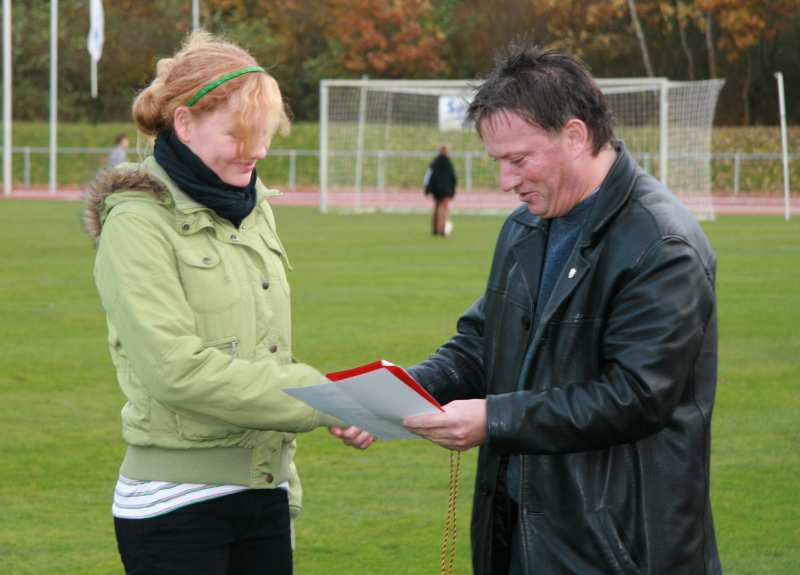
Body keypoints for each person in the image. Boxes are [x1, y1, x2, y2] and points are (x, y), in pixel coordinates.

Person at [403, 43, 722, 574]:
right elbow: (483, 341)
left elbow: (635, 397)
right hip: (517, 534)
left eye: (518, 160)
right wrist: (401, 390)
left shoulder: (662, 244)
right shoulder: (524, 227)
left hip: (615, 549)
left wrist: (494, 419)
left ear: (575, 136)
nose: (506, 181)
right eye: (498, 162)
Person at [83, 31, 368, 575]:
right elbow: (176, 371)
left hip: (265, 492)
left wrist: (346, 402)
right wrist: (319, 399)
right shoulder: (136, 223)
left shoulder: (254, 207)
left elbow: (264, 355)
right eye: (239, 134)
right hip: (176, 506)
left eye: (264, 135)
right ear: (184, 123)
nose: (257, 151)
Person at [424, 145, 457, 236]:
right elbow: (453, 178)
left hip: (436, 189)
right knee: (444, 210)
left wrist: (427, 188)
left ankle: (435, 230)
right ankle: (442, 230)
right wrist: (453, 190)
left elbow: (428, 176)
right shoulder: (449, 164)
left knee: (436, 208)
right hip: (446, 190)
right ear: (447, 152)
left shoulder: (434, 163)